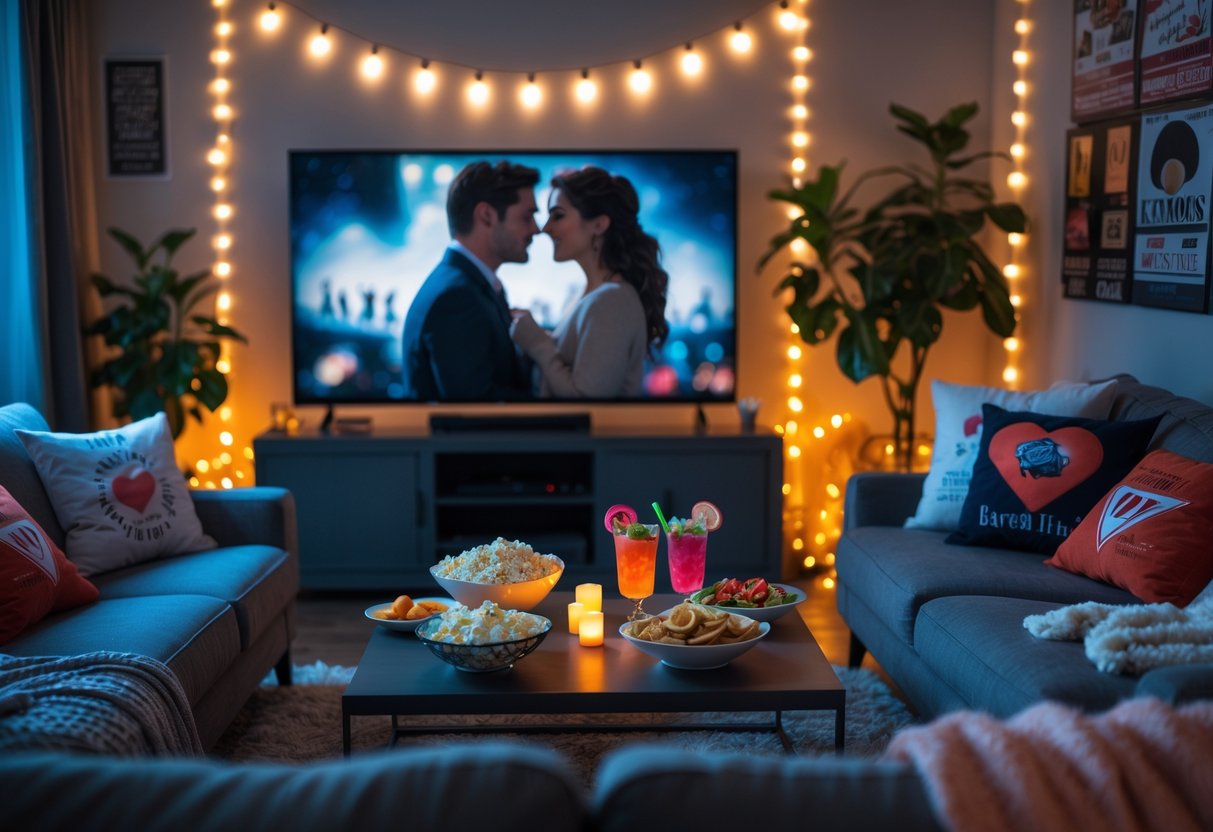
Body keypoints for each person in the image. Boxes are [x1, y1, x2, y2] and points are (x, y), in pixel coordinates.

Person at [510, 167, 668, 398]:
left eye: (558, 215)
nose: (545, 228)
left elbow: (588, 403)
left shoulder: (613, 301)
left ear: (599, 225)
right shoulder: (588, 295)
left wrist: (537, 344)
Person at [401, 160, 539, 401]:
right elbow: (476, 409)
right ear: (486, 215)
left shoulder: (469, 285)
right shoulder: (457, 297)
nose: (536, 229)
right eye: (527, 217)